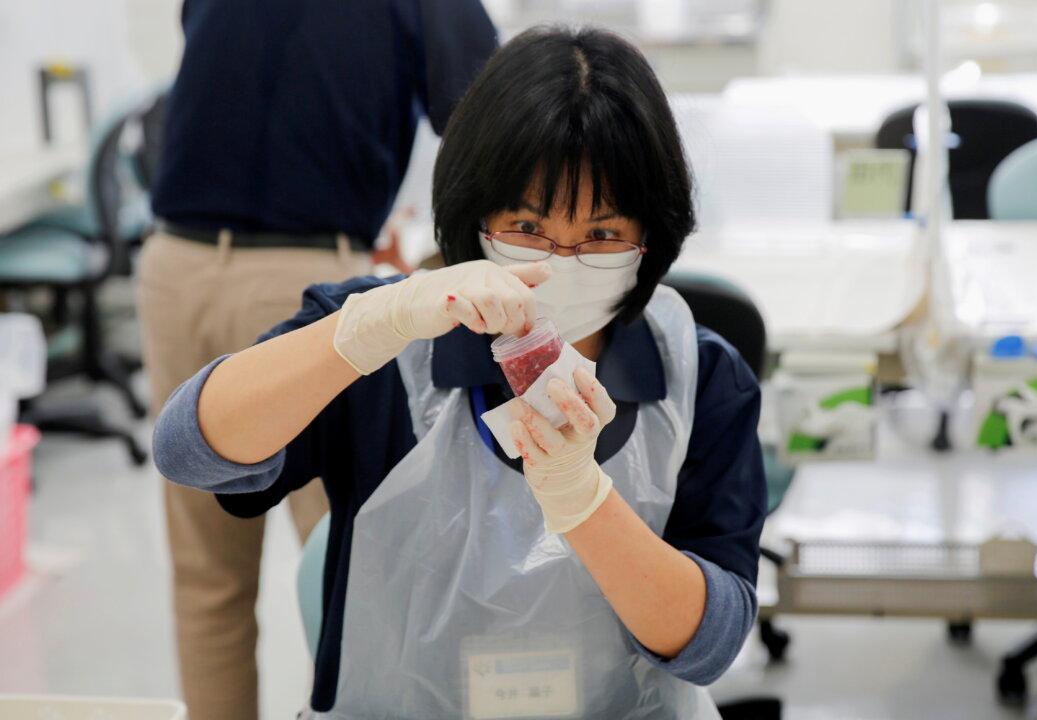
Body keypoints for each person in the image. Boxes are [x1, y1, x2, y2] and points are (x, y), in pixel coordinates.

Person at [154, 26, 765, 719]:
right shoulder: (391, 352)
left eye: (601, 234)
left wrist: (581, 501)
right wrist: (361, 333)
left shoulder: (701, 377)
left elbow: (710, 647)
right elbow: (186, 450)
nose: (560, 262)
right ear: (476, 218)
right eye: (528, 229)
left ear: (651, 237)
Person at [136, 2, 497, 718]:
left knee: (209, 579)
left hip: (174, 264)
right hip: (305, 282)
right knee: (362, 579)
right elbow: (496, 118)